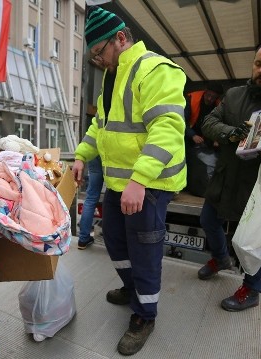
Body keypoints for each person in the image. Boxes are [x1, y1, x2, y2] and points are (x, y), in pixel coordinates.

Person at [72, 5, 187, 356]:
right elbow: (101, 127)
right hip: (120, 183)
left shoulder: (154, 69)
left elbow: (167, 129)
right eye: (93, 56)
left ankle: (144, 315)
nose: (98, 61)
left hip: (148, 185)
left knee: (145, 249)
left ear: (120, 39)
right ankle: (131, 287)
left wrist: (139, 180)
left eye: (99, 52)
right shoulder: (112, 76)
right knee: (115, 240)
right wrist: (81, 155)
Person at [198, 40, 261, 312]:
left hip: (258, 184)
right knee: (208, 219)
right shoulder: (234, 95)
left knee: (254, 240)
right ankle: (221, 258)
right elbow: (209, 122)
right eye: (258, 63)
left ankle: (252, 289)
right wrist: (231, 133)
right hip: (225, 177)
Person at [183, 86, 221, 196]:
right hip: (188, 135)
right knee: (186, 158)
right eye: (208, 95)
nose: (209, 99)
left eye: (213, 97)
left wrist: (216, 139)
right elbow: (181, 121)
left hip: (204, 139)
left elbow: (218, 124)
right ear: (204, 92)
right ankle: (186, 186)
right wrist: (192, 135)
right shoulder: (191, 99)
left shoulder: (219, 106)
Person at [77, 154, 103, 249]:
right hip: (111, 152)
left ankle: (83, 240)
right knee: (114, 194)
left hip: (94, 152)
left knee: (91, 198)